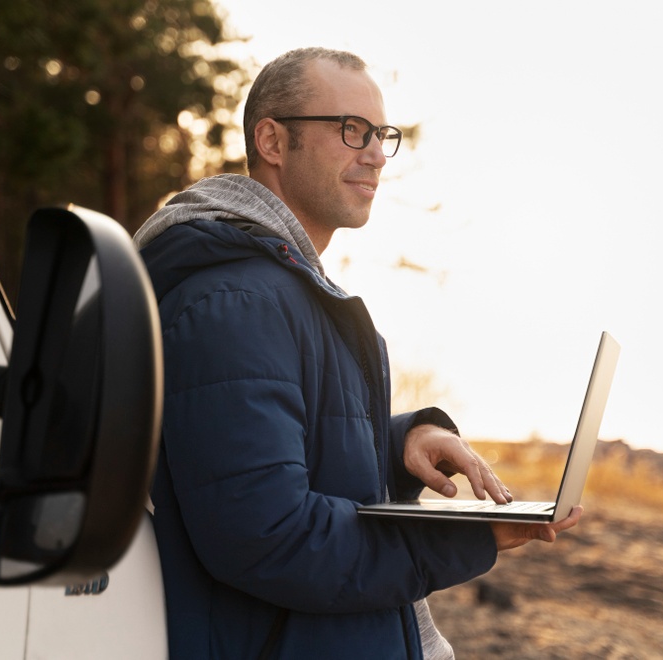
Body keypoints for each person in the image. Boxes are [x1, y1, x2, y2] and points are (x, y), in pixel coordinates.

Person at [133, 47, 583, 659]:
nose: (375, 153)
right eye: (351, 130)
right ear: (272, 140)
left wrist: (399, 445)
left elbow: (283, 456)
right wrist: (467, 540)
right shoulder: (235, 302)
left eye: (382, 134)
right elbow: (270, 538)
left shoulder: (283, 292)